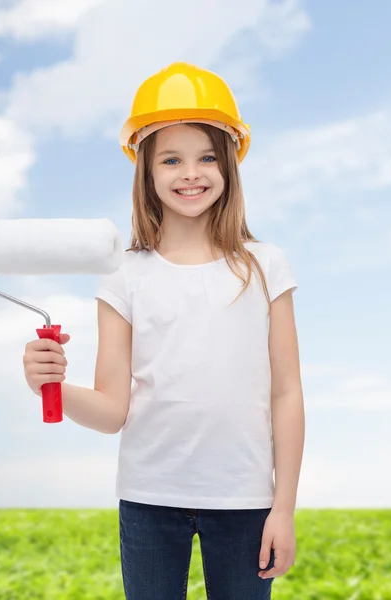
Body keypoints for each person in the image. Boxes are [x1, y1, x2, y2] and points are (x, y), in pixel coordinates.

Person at [23, 62, 305, 600]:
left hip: (246, 499)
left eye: (206, 157)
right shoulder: (124, 275)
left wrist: (283, 506)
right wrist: (50, 384)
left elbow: (287, 392)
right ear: (146, 172)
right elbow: (112, 411)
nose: (190, 173)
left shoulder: (265, 266)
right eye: (171, 159)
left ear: (229, 165)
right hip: (150, 499)